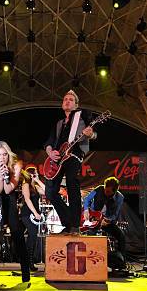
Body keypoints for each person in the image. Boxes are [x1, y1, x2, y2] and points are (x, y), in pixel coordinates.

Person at [44, 90, 96, 233]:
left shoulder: (82, 115)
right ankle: (68, 221)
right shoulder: (59, 123)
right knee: (50, 192)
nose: (67, 101)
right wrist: (50, 152)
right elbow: (49, 142)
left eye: (71, 99)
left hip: (74, 155)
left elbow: (93, 132)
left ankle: (74, 225)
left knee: (72, 183)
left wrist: (91, 134)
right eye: (65, 99)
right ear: (62, 104)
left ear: (76, 104)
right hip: (58, 159)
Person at [0, 141, 30, 283]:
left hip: (9, 200)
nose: (2, 158)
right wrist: (1, 176)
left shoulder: (16, 165)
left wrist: (6, 175)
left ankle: (25, 270)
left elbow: (8, 189)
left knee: (17, 234)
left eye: (4, 154)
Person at [82, 176, 126, 255]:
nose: (105, 192)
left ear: (115, 191)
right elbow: (87, 199)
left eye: (108, 192)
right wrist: (86, 210)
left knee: (121, 236)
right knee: (90, 236)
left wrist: (108, 220)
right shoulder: (99, 189)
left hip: (106, 221)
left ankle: (121, 261)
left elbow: (115, 214)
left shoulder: (120, 198)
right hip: (93, 219)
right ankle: (90, 257)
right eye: (105, 189)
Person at [20, 166, 46, 272]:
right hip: (27, 214)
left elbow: (46, 191)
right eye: (36, 173)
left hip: (34, 215)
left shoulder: (34, 185)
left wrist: (38, 180)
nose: (37, 174)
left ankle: (28, 261)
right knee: (32, 235)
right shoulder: (25, 184)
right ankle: (28, 262)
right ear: (30, 174)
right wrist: (35, 213)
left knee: (33, 236)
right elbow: (27, 199)